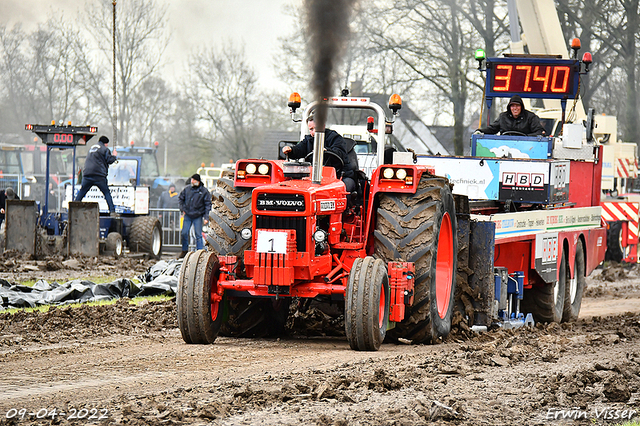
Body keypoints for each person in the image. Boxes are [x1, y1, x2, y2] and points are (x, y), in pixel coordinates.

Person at [282, 114, 356, 194]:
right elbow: (299, 149)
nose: (313, 132)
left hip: (339, 175)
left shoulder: (335, 138)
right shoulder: (308, 140)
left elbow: (339, 152)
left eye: (316, 128)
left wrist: (326, 151)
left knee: (345, 188)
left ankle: (345, 206)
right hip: (314, 177)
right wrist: (291, 150)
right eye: (311, 129)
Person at [75, 135, 118, 214]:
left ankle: (74, 208)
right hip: (99, 175)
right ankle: (112, 211)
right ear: (105, 143)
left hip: (87, 174)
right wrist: (114, 155)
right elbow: (109, 160)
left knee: (82, 192)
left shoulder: (91, 149)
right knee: (106, 193)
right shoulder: (105, 149)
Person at [178, 173, 211, 258]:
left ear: (198, 181)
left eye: (194, 180)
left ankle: (199, 252)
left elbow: (208, 204)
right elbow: (181, 199)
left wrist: (206, 217)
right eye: (192, 180)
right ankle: (184, 251)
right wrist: (182, 209)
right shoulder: (187, 189)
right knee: (184, 233)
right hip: (188, 215)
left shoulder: (204, 191)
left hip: (198, 216)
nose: (192, 181)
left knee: (198, 235)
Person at [477, 95, 545, 136]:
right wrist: (480, 131)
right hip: (505, 148)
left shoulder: (530, 117)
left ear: (521, 107)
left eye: (517, 106)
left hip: (527, 149)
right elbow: (492, 129)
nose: (515, 108)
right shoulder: (503, 117)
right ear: (509, 107)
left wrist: (525, 138)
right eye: (512, 106)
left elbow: (539, 132)